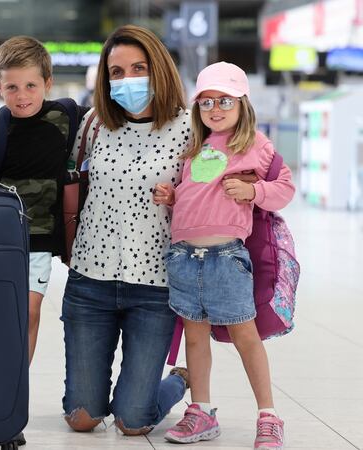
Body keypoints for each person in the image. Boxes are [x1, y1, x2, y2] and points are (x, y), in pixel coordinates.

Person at [0, 25, 193, 436]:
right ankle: (101, 396)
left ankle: (177, 380)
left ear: (159, 68)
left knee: (132, 420)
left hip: (155, 287)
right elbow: (33, 140)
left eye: (139, 68)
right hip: (90, 282)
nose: (128, 79)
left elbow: (216, 186)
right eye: (117, 72)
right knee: (83, 418)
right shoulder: (90, 124)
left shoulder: (188, 128)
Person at [155, 62, 293, 450]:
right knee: (194, 339)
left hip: (227, 258)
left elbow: (284, 188)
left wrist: (254, 193)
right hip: (183, 257)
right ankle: (202, 410)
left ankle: (268, 416)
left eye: (225, 100)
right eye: (206, 102)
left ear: (242, 103)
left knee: (246, 336)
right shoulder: (194, 150)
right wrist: (172, 198)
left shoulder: (256, 146)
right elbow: (195, 197)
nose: (215, 109)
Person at [0, 35, 89, 368]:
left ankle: (16, 384)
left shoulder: (67, 116)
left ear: (48, 83)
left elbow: (105, 122)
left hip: (40, 242)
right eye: (13, 87)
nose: (22, 96)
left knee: (29, 312)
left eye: (31, 86)